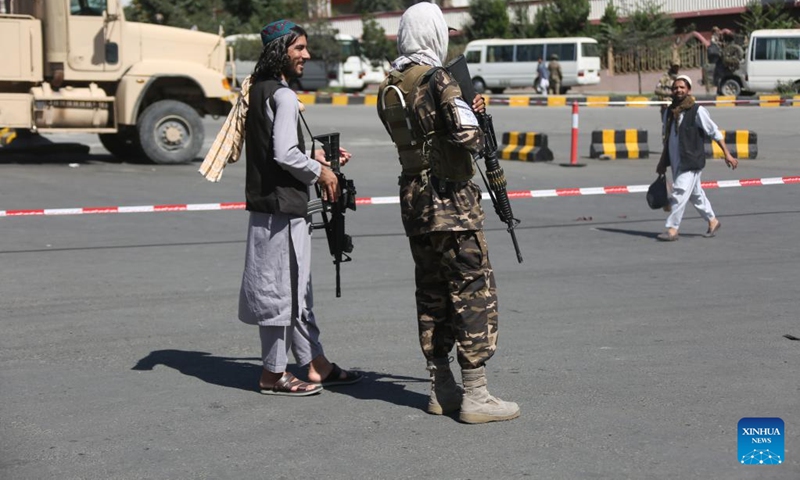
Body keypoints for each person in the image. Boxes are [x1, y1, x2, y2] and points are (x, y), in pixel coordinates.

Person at [376, 2, 519, 424]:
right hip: (452, 203)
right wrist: (473, 112)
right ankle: (476, 394)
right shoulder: (438, 78)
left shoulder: (391, 84)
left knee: (432, 291)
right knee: (471, 290)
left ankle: (442, 388)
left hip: (415, 203)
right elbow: (470, 136)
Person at [239, 19, 362, 396]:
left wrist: (314, 156)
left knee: (296, 290)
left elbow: (276, 148)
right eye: (299, 48)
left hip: (276, 207)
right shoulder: (284, 96)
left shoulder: (260, 89)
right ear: (280, 51)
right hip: (279, 211)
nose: (306, 55)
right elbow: (283, 153)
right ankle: (273, 374)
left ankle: (314, 362)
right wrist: (320, 171)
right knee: (279, 293)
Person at [655, 75, 738, 242]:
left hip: (691, 160)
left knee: (679, 192)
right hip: (676, 161)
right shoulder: (669, 112)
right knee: (695, 195)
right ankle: (713, 221)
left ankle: (672, 229)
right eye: (675, 88)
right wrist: (662, 162)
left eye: (682, 87)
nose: (678, 90)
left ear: (688, 90)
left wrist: (727, 153)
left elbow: (714, 132)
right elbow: (667, 139)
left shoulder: (697, 111)